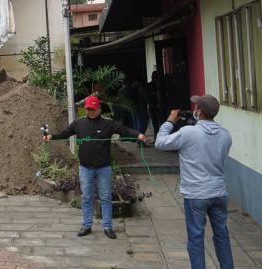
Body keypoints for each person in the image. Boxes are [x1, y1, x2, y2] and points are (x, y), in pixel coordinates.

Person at [44, 96, 145, 239]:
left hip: (103, 168)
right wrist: (51, 137)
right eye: (88, 109)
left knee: (105, 198)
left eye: (93, 109)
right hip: (85, 168)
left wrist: (138, 134)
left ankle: (108, 227)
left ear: (99, 109)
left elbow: (123, 130)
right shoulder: (78, 124)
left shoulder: (108, 124)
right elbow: (65, 133)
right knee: (86, 198)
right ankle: (86, 225)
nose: (90, 112)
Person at [155, 95, 234, 269]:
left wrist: (169, 122)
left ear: (198, 111)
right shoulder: (225, 135)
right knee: (222, 235)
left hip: (196, 194)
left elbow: (160, 143)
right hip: (219, 192)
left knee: (196, 238)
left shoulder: (188, 132)